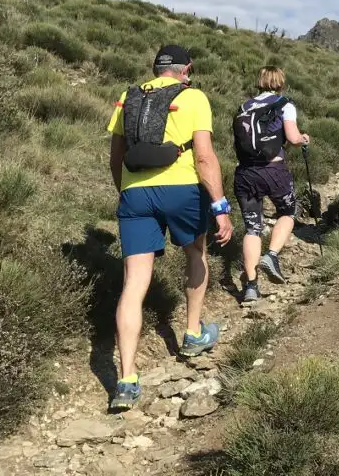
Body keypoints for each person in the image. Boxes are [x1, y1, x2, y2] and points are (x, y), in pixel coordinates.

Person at [106, 44, 233, 411]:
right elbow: (205, 157)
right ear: (186, 69)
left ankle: (127, 379)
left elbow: (116, 158)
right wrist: (220, 207)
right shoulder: (193, 97)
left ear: (155, 67)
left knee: (133, 283)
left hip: (135, 193)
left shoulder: (127, 96)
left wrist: (127, 193)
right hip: (182, 191)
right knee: (196, 252)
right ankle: (193, 334)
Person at [232, 66, 310, 304]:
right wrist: (303, 139)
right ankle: (272, 255)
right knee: (287, 211)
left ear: (260, 81)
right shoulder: (284, 104)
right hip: (273, 171)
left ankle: (251, 287)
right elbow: (293, 137)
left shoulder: (244, 107)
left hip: (245, 173)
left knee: (253, 228)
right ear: (280, 82)